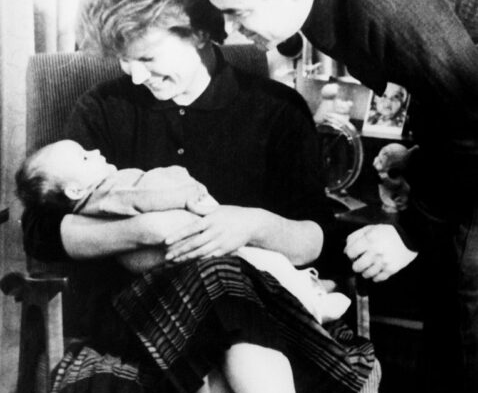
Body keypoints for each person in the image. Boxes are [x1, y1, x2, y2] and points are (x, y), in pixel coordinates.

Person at [22, 0, 374, 393]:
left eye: (147, 57)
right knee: (218, 295)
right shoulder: (104, 108)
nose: (135, 76)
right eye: (125, 61)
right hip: (140, 322)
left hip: (260, 312)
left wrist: (249, 225)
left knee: (221, 304)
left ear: (202, 34)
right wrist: (147, 228)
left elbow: (319, 240)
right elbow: (40, 230)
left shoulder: (276, 111)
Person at [195, 0, 478, 393]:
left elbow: (471, 121)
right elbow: (443, 87)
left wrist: (410, 233)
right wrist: (419, 155)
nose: (231, 32)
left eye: (239, 14)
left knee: (469, 293)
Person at [17, 139, 350, 324]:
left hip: (184, 264)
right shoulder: (109, 193)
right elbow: (144, 200)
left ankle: (307, 289)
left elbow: (318, 223)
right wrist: (182, 193)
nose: (97, 152)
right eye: (85, 157)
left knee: (260, 263)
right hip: (176, 261)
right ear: (74, 191)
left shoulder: (98, 193)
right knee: (259, 262)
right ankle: (311, 303)